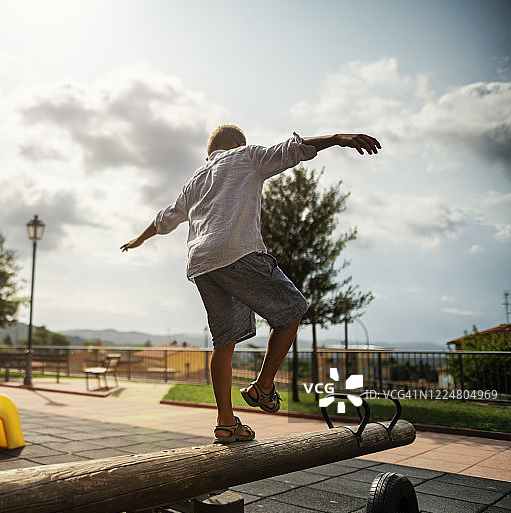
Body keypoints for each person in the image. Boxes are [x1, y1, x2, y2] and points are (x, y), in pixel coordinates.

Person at [121, 126, 380, 444]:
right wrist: (337, 138)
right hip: (237, 251)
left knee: (224, 342)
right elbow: (292, 148)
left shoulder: (194, 181)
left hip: (202, 264)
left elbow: (166, 219)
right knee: (293, 309)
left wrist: (138, 239)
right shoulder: (244, 155)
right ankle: (264, 386)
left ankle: (226, 422)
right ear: (237, 144)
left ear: (209, 153)